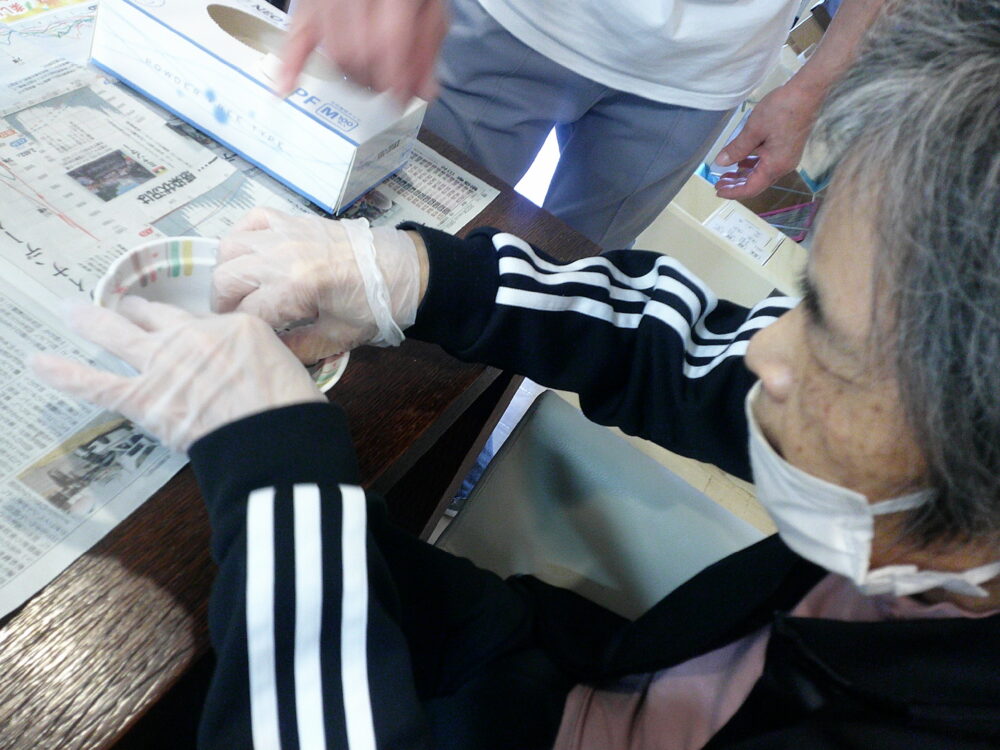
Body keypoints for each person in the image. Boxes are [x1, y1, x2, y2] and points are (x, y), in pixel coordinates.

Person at [31, 0, 1000, 747]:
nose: (764, 354)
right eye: (801, 300)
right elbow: (686, 349)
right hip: (558, 672)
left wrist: (279, 472)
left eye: (833, 342)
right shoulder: (912, 481)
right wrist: (413, 275)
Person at [277, 0, 885, 249]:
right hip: (513, 16)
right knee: (371, 231)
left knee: (549, 298)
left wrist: (813, 86)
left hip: (700, 73)